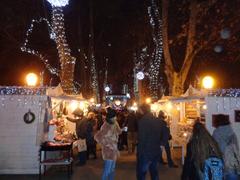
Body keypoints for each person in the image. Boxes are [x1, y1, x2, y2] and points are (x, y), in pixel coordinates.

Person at [136, 104, 166, 180]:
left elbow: (142, 139)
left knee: (142, 174)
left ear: (143, 111)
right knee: (154, 172)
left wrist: (139, 153)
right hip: (156, 151)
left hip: (145, 152)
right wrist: (162, 144)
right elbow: (166, 133)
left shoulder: (142, 122)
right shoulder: (158, 120)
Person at [94, 107, 122, 180]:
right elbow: (97, 137)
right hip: (108, 151)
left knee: (112, 170)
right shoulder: (105, 126)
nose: (116, 117)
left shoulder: (115, 123)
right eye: (114, 116)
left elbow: (119, 132)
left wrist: (121, 130)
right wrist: (107, 143)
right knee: (107, 171)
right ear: (111, 118)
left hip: (114, 149)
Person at [212, 114, 240, 180]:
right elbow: (236, 148)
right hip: (233, 164)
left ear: (217, 121)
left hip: (221, 165)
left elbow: (216, 149)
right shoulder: (232, 132)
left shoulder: (216, 133)